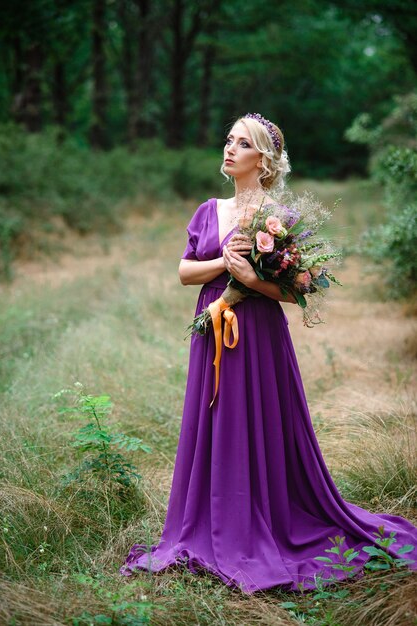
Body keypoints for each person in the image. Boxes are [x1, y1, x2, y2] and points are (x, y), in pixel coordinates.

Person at [120, 113, 417, 594]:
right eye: (229, 140)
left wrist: (253, 279)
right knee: (214, 417)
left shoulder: (282, 220)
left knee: (259, 419)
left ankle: (264, 519)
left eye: (243, 144)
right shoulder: (208, 210)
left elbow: (301, 291)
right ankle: (207, 522)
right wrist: (226, 263)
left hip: (258, 330)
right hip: (213, 325)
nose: (230, 149)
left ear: (263, 160)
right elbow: (184, 272)